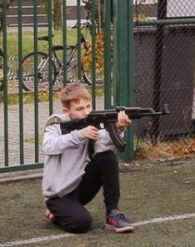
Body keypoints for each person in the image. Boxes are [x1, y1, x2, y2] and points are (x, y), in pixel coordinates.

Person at [42, 83, 136, 233]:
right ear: (67, 111)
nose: (86, 112)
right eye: (79, 109)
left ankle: (113, 212)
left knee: (107, 156)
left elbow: (104, 141)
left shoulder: (90, 123)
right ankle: (56, 213)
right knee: (82, 224)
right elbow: (49, 146)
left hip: (81, 188)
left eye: (88, 106)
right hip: (59, 196)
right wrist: (79, 135)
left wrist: (119, 127)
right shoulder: (56, 125)